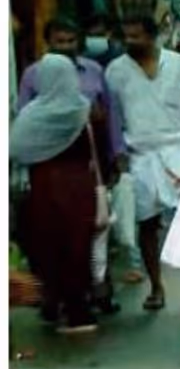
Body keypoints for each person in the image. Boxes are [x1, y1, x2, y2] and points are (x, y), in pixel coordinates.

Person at [18, 17, 124, 316]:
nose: (64, 47)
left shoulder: (93, 76)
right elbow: (21, 135)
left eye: (69, 40)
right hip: (46, 179)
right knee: (49, 240)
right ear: (48, 43)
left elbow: (109, 119)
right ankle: (56, 298)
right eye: (58, 41)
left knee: (86, 238)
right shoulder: (31, 80)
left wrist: (114, 157)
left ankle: (88, 297)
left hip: (84, 175)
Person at [105, 15, 180, 312]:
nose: (131, 42)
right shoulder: (116, 72)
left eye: (137, 36)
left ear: (153, 36)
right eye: (127, 37)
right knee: (147, 223)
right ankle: (156, 285)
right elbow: (113, 118)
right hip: (140, 154)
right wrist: (117, 157)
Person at [11, 54, 101, 334]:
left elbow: (14, 150)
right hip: (80, 192)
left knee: (47, 249)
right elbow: (99, 151)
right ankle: (78, 310)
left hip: (43, 193)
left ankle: (54, 302)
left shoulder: (30, 115)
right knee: (78, 249)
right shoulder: (86, 111)